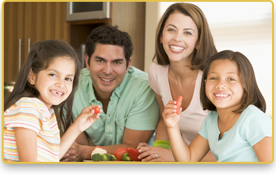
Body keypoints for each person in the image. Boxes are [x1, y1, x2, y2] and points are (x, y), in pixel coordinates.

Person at [61, 24, 159, 161]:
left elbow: (130, 151)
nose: (108, 70)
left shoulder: (144, 87)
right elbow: (77, 149)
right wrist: (83, 152)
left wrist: (85, 152)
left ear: (128, 65)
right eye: (100, 60)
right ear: (87, 62)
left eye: (117, 62)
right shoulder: (71, 86)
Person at [138, 3, 217, 161]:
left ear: (199, 42)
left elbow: (231, 150)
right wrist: (157, 152)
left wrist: (175, 157)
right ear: (161, 36)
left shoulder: (213, 78)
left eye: (187, 32)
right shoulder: (157, 71)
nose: (177, 38)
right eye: (171, 29)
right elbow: (164, 119)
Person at [163, 50, 272, 162]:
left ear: (246, 85)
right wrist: (172, 126)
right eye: (213, 78)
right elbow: (188, 159)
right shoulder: (212, 118)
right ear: (205, 82)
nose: (220, 85)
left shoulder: (254, 119)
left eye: (231, 79)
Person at [4, 40, 100, 162]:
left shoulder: (46, 112)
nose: (61, 84)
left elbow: (51, 158)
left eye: (68, 78)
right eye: (53, 75)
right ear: (32, 77)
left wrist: (77, 127)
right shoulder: (29, 107)